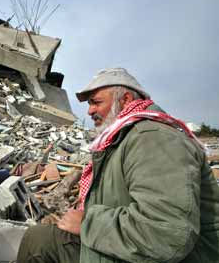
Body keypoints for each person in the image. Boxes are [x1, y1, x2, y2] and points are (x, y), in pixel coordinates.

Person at [17, 68, 219, 263]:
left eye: (96, 102)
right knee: (40, 238)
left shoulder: (153, 139)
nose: (89, 111)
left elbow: (166, 233)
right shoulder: (126, 138)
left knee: (38, 242)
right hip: (133, 248)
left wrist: (88, 223)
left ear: (126, 100)